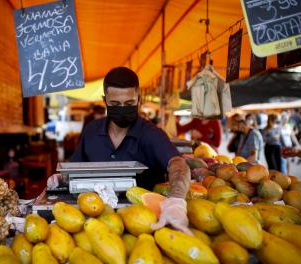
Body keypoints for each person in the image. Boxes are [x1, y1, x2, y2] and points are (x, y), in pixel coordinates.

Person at [46, 67, 192, 234]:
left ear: (139, 99)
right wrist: (62, 178)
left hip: (146, 225)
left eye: (129, 103)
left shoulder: (152, 134)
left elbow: (178, 164)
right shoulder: (91, 131)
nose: (122, 108)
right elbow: (75, 168)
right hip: (95, 223)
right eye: (115, 104)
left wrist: (176, 199)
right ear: (104, 100)